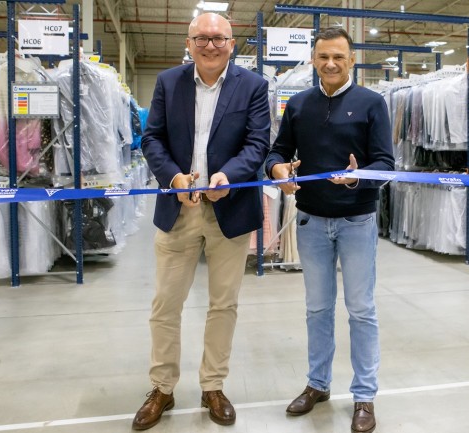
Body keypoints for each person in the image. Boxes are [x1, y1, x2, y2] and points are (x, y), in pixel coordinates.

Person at [133, 12, 270, 431]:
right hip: (179, 210)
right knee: (165, 305)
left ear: (232, 43)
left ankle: (213, 385)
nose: (210, 45)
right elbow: (151, 138)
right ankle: (162, 387)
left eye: (218, 39)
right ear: (189, 44)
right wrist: (174, 177)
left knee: (223, 304)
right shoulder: (168, 82)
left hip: (230, 210)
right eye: (202, 39)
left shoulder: (254, 86)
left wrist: (230, 174)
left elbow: (258, 142)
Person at [265, 27, 394, 433]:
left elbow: (386, 164)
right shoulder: (299, 104)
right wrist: (278, 170)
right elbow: (278, 150)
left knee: (361, 310)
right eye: (323, 57)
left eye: (339, 56)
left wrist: (358, 178)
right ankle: (318, 384)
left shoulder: (373, 104)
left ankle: (364, 396)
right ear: (313, 60)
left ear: (352, 60)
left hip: (357, 220)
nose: (331, 64)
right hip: (311, 221)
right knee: (317, 309)